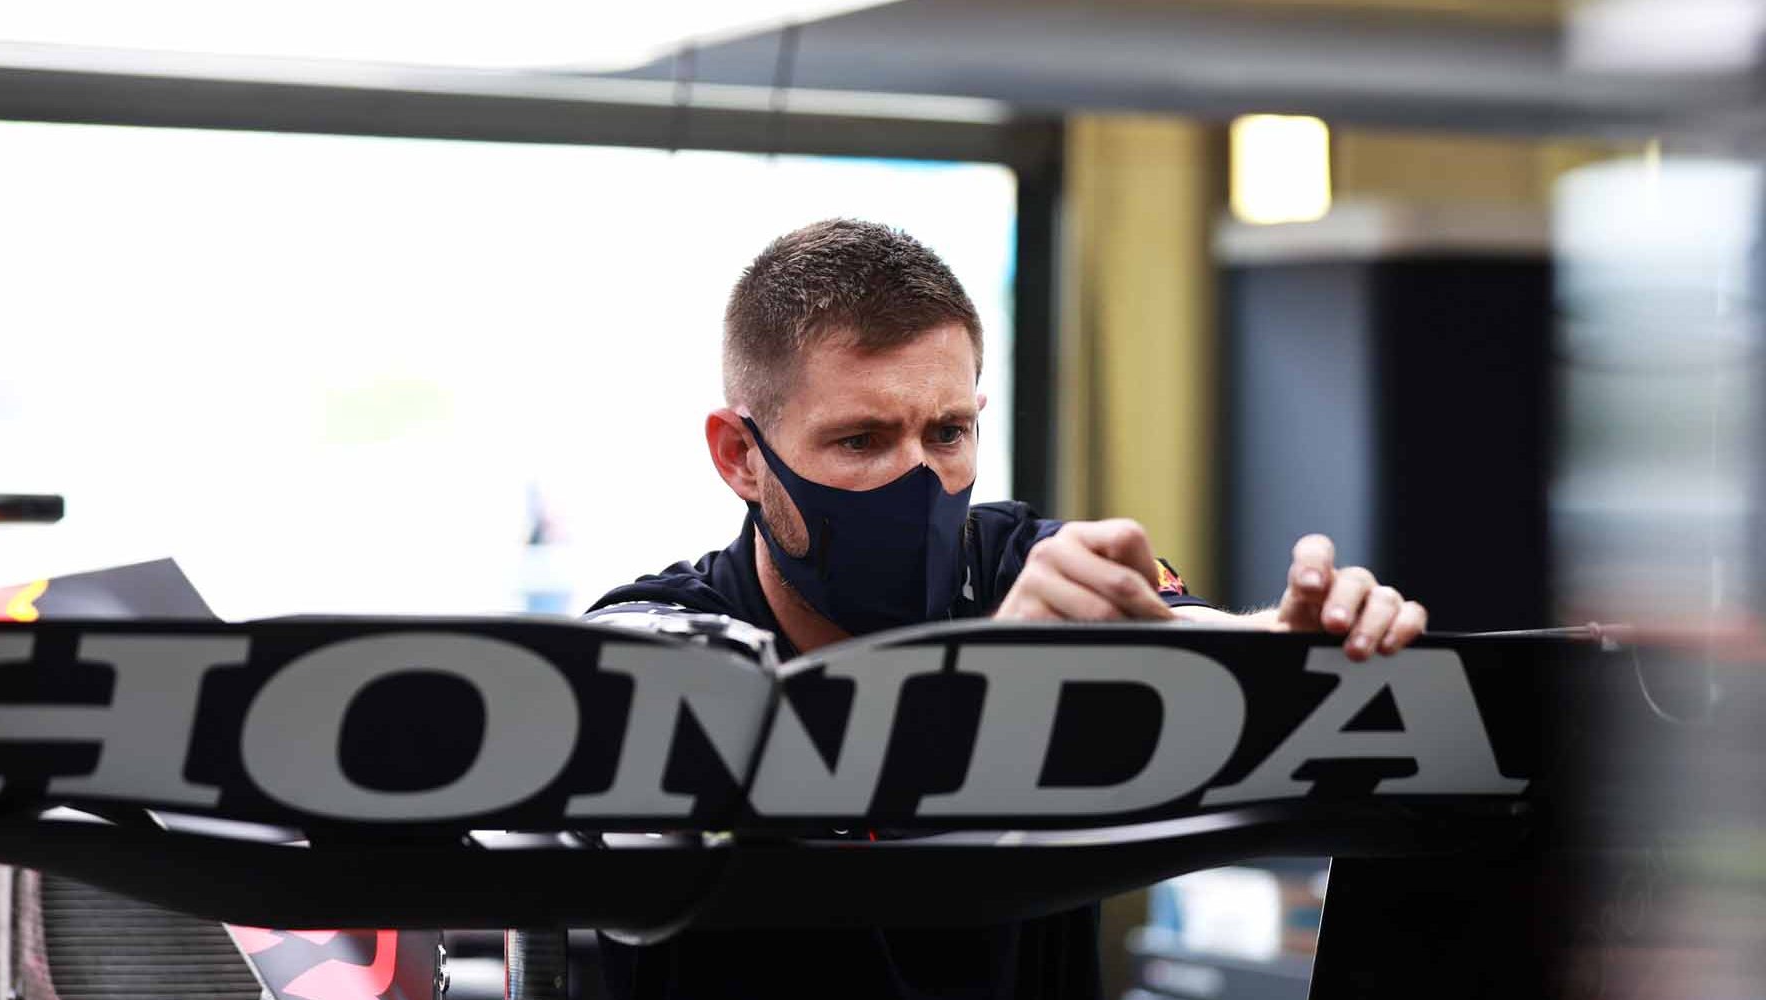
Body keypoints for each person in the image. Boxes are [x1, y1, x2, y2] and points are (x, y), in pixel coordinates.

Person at [584, 218, 1427, 999]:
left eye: (948, 434)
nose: (918, 480)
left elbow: (1194, 646)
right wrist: (993, 685)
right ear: (740, 456)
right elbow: (682, 739)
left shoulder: (1028, 568)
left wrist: (1291, 653)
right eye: (861, 441)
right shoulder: (654, 630)